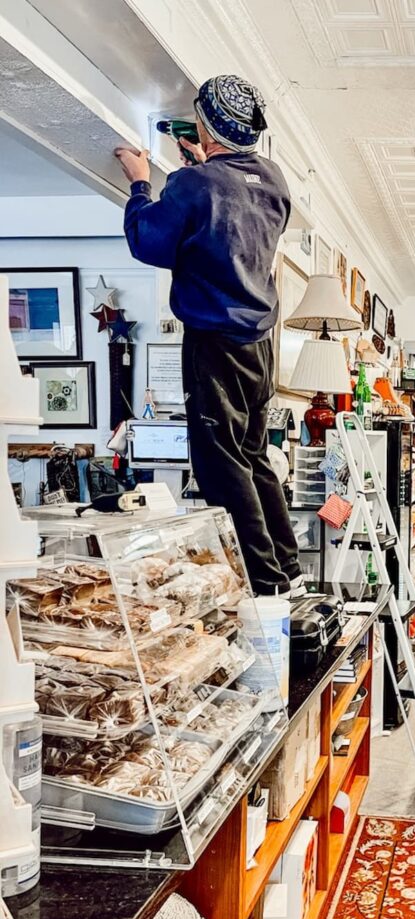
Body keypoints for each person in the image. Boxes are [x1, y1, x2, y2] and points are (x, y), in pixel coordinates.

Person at [114, 75, 305, 598]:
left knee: (220, 464)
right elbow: (233, 220)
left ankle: (265, 583)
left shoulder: (195, 186)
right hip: (260, 344)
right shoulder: (275, 181)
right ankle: (286, 569)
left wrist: (138, 182)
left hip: (214, 342)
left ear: (205, 123)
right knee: (252, 455)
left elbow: (146, 240)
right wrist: (204, 167)